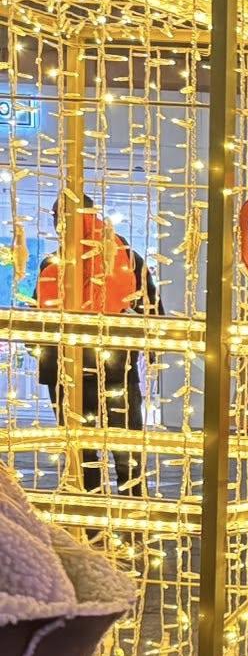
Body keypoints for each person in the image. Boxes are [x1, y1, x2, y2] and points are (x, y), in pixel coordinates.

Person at [34, 194, 160, 498]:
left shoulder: (119, 258)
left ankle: (116, 509)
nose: (58, 223)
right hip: (83, 370)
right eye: (56, 216)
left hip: (96, 370)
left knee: (112, 451)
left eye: (62, 216)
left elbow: (150, 309)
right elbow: (152, 309)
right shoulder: (58, 263)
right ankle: (109, 508)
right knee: (93, 452)